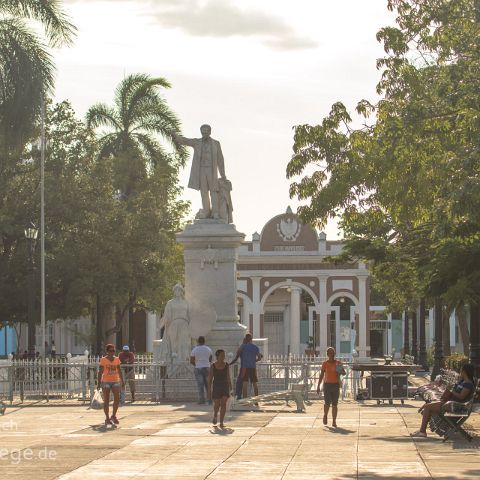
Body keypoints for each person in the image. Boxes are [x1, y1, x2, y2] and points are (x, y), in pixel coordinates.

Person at [173, 125, 227, 220]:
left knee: (214, 191)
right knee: (204, 191)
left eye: (206, 132)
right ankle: (206, 211)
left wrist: (223, 175)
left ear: (210, 132)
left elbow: (220, 160)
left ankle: (215, 212)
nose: (204, 134)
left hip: (212, 170)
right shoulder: (197, 142)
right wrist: (175, 136)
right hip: (201, 170)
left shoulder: (216, 144)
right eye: (203, 132)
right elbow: (186, 141)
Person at [410, 363, 476, 438]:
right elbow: (453, 392)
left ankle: (422, 431)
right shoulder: (462, 382)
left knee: (427, 407)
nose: (460, 371)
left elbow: (461, 397)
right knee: (428, 406)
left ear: (464, 371)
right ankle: (422, 430)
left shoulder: (468, 384)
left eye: (461, 370)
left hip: (455, 406)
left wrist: (451, 391)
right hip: (449, 403)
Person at [158, 284, 191, 362]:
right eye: (176, 290)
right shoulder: (170, 303)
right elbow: (166, 315)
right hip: (174, 323)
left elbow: (189, 314)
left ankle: (185, 356)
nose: (177, 292)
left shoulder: (186, 302)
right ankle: (174, 353)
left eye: (179, 290)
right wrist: (162, 324)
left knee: (184, 340)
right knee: (174, 339)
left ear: (182, 292)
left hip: (184, 323)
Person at [316, 347, 345, 428]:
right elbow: (321, 375)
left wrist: (340, 370)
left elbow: (343, 373)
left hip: (335, 385)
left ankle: (334, 421)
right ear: (327, 354)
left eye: (332, 353)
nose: (331, 355)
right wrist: (318, 386)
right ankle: (325, 415)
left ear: (334, 354)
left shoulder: (337, 363)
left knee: (335, 404)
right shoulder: (325, 364)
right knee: (327, 403)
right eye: (329, 353)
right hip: (327, 385)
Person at [97, 344, 124, 426]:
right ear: (107, 351)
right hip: (106, 381)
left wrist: (122, 381)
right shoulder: (103, 360)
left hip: (115, 380)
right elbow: (100, 372)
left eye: (113, 351)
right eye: (110, 351)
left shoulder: (117, 359)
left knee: (116, 398)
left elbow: (119, 370)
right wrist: (98, 382)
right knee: (106, 400)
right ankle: (107, 418)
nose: (112, 352)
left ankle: (114, 415)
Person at [208, 349, 232, 428]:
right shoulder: (213, 366)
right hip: (216, 387)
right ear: (217, 356)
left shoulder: (227, 365)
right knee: (217, 404)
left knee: (223, 403)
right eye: (222, 355)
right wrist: (209, 390)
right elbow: (210, 379)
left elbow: (228, 377)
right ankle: (215, 415)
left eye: (224, 355)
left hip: (225, 386)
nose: (223, 357)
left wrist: (231, 387)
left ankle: (221, 422)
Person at [239, 333, 263, 399]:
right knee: (255, 383)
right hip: (252, 367)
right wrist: (254, 361)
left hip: (245, 367)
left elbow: (238, 352)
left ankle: (244, 400)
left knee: (245, 384)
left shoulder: (243, 346)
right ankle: (256, 400)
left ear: (245, 339)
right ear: (251, 339)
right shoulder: (255, 347)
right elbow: (259, 358)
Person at [190, 336, 213, 405]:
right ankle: (209, 400)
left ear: (198, 341)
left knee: (200, 385)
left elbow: (191, 360)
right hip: (207, 368)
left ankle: (201, 399)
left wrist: (196, 364)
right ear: (204, 341)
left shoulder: (195, 350)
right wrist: (206, 362)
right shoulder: (208, 349)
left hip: (198, 368)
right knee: (208, 385)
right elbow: (210, 358)